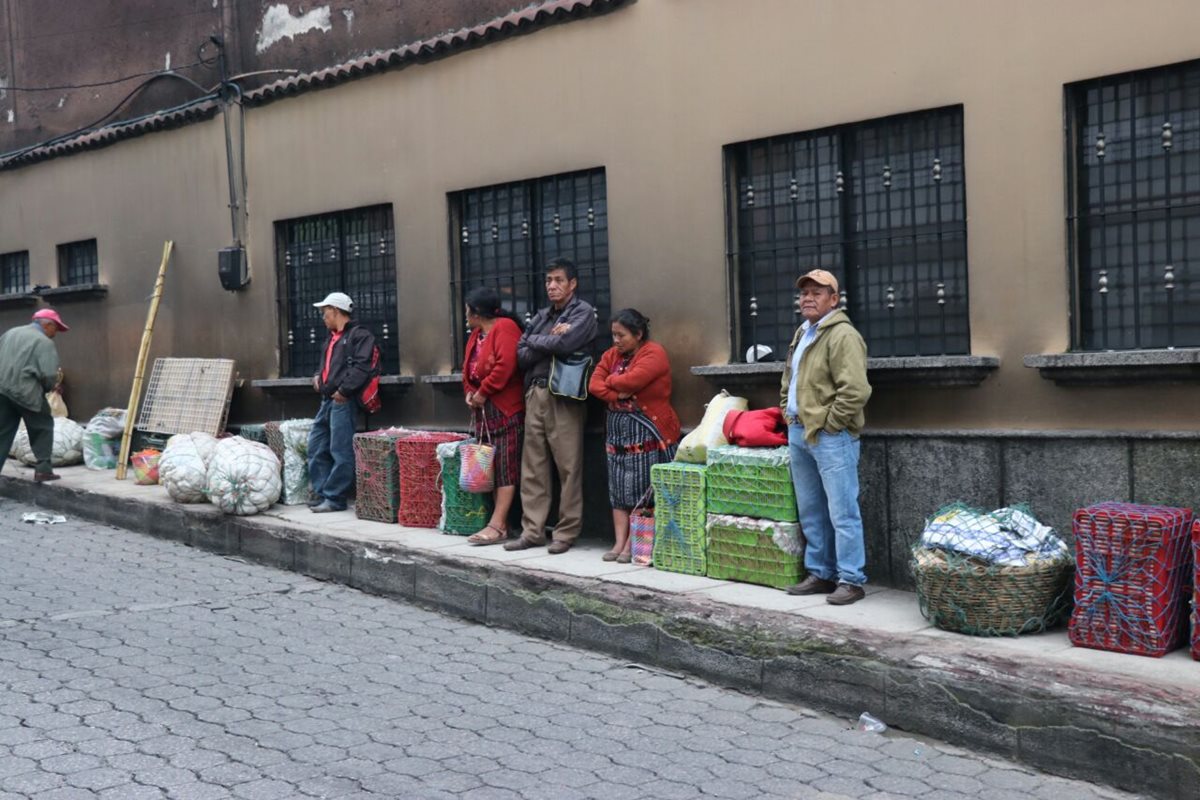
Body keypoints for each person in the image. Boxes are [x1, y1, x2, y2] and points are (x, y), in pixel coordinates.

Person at [780, 269, 872, 606]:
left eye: (817, 293)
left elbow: (856, 390)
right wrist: (786, 410)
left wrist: (831, 424)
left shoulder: (842, 335)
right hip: (799, 429)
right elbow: (789, 376)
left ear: (834, 300)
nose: (807, 298)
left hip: (830, 436)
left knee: (842, 511)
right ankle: (820, 572)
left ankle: (851, 579)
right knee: (811, 510)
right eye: (804, 293)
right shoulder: (804, 332)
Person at [504, 258, 598, 554]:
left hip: (564, 395)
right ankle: (532, 531)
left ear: (573, 284)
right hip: (535, 393)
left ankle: (566, 532)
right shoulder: (543, 316)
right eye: (548, 280)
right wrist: (547, 339)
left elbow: (566, 344)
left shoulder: (583, 313)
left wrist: (537, 341)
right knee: (533, 466)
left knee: (568, 466)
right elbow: (519, 354)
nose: (552, 286)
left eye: (558, 280)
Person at [589, 308, 680, 562]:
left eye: (621, 335)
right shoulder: (611, 355)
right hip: (617, 434)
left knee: (641, 488)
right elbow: (594, 384)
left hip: (646, 430)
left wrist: (614, 382)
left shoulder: (654, 353)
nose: (616, 341)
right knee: (618, 489)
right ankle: (619, 543)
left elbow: (634, 380)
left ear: (638, 334)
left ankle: (633, 544)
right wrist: (616, 392)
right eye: (613, 335)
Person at [461, 287, 525, 546]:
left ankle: (498, 526)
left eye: (467, 310)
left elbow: (505, 364)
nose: (465, 315)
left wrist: (484, 392)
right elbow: (468, 369)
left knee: (505, 468)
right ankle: (494, 520)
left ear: (476, 312)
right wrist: (469, 391)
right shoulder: (476, 334)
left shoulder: (505, 327)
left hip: (505, 408)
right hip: (483, 411)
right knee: (487, 467)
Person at [308, 291, 377, 513]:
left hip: (342, 400)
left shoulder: (360, 335)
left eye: (325, 312)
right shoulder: (331, 337)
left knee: (340, 450)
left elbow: (362, 367)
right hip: (327, 399)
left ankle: (335, 498)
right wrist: (318, 374)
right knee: (317, 447)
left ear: (336, 311)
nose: (323, 317)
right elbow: (325, 364)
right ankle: (322, 493)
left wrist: (344, 391)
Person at [0, 308, 70, 482]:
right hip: (26, 391)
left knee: (3, 433)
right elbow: (48, 375)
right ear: (47, 325)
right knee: (43, 426)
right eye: (56, 329)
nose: (55, 334)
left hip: (1, 389)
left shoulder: (10, 333)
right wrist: (49, 388)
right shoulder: (44, 342)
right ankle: (43, 469)